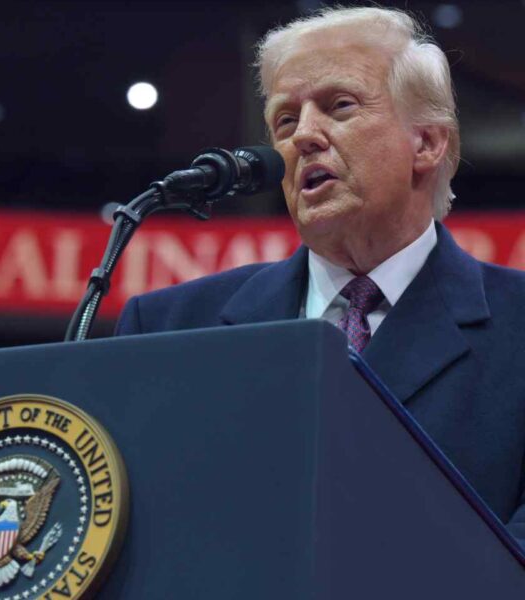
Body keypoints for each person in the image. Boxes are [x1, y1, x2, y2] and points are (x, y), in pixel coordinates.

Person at [115, 7, 525, 546]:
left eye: (340, 106)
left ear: (425, 143)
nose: (304, 135)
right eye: (285, 120)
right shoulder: (169, 328)